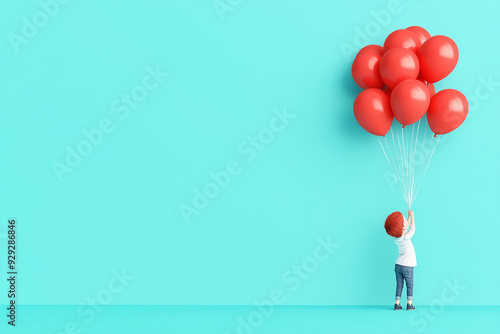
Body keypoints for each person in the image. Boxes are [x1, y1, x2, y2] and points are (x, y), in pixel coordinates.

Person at [384, 209, 416, 311]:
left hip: (398, 265)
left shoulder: (396, 238)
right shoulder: (406, 237)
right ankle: (409, 304)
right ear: (403, 227)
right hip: (407, 265)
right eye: (404, 220)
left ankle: (397, 304)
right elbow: (412, 228)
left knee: (399, 284)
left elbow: (404, 228)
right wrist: (413, 216)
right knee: (409, 285)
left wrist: (408, 217)